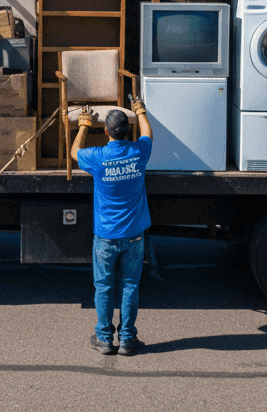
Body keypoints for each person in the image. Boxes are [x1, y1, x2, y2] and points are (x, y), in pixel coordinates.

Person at [70, 99, 152, 356]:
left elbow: (74, 153)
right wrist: (140, 111)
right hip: (134, 236)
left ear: (105, 132)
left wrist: (83, 126)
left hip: (105, 236)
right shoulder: (139, 152)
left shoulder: (97, 158)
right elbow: (148, 133)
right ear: (128, 130)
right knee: (130, 286)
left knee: (104, 287)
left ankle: (104, 339)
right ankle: (127, 340)